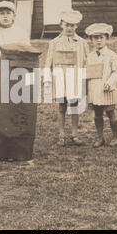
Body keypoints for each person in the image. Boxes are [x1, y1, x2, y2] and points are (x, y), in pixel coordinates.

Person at [44, 10, 89, 146]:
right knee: (62, 106)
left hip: (75, 77)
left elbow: (87, 61)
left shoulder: (82, 43)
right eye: (67, 25)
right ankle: (61, 135)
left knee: (74, 106)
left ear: (76, 27)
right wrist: (47, 78)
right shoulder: (54, 42)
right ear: (61, 25)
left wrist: (85, 78)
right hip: (60, 78)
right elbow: (48, 61)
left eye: (72, 25)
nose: (69, 28)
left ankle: (74, 134)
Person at [0, 1, 30, 103]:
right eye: (2, 13)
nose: (5, 16)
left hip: (17, 70)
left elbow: (27, 53)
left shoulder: (21, 33)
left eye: (8, 13)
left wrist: (18, 65)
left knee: (18, 100)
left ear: (14, 16)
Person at [84, 23, 117, 147]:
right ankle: (100, 138)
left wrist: (110, 83)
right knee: (97, 113)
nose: (98, 40)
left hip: (107, 89)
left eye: (101, 37)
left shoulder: (112, 55)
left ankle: (115, 137)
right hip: (94, 89)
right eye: (95, 38)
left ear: (106, 39)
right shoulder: (89, 56)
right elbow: (87, 72)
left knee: (111, 113)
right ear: (91, 40)